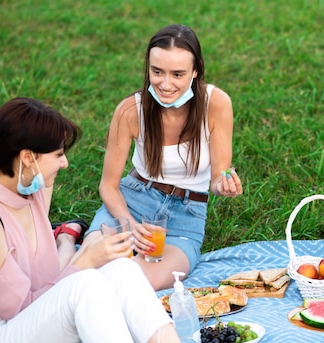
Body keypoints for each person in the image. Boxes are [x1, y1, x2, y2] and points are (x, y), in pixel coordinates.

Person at [0, 97, 184, 343]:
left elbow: (45, 286)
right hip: (2, 335)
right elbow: (21, 309)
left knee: (122, 268)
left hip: (41, 320)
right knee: (86, 284)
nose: (65, 163)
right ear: (28, 158)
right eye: (58, 155)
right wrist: (84, 261)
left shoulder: (33, 187)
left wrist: (87, 256)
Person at [86, 24, 243, 290]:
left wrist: (224, 185)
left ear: (195, 72)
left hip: (185, 218)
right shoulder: (130, 110)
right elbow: (108, 185)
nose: (165, 84)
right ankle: (67, 238)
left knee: (133, 282)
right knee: (88, 269)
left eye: (177, 74)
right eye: (157, 72)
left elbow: (219, 175)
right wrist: (128, 225)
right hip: (130, 202)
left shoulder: (216, 104)